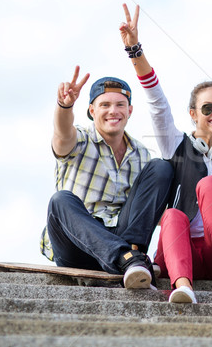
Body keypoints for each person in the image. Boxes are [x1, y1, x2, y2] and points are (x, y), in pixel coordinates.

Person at [119, 4, 212, 304]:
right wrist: (135, 50)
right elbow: (156, 102)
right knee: (173, 215)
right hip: (183, 253)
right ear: (193, 113)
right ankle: (183, 288)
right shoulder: (176, 145)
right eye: (208, 107)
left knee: (209, 185)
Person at [41, 68, 174, 290]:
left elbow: (147, 208)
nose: (113, 111)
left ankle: (131, 256)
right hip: (76, 246)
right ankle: (127, 258)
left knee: (160, 167)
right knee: (59, 200)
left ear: (129, 110)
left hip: (121, 236)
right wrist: (65, 106)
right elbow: (63, 133)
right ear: (92, 110)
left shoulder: (140, 154)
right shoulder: (80, 140)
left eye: (120, 105)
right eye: (105, 105)